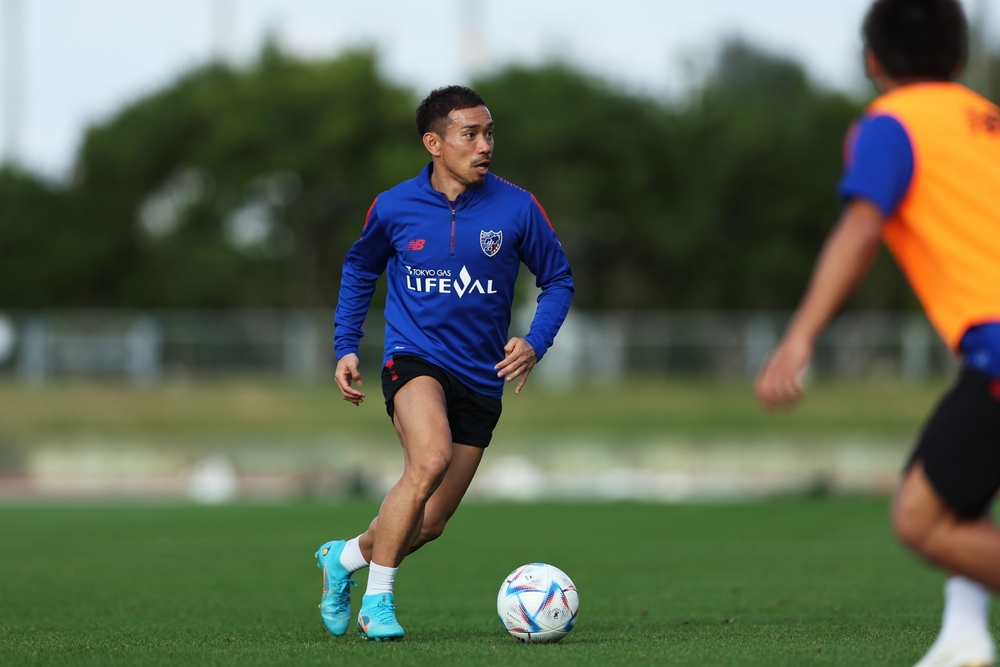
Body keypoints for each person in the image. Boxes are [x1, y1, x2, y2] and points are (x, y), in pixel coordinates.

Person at [755, 1, 1000, 665]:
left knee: (921, 520)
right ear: (959, 57)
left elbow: (862, 226)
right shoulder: (988, 118)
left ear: (872, 61)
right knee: (961, 492)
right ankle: (965, 638)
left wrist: (801, 335)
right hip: (989, 354)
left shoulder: (890, 124)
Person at [315, 85, 574, 641]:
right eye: (470, 134)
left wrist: (536, 341)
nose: (485, 145)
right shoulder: (393, 206)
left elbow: (558, 279)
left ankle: (343, 558)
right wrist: (345, 344)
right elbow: (359, 269)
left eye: (489, 133)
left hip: (482, 377)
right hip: (414, 359)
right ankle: (377, 603)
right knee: (429, 459)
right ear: (434, 143)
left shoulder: (518, 206)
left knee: (429, 522)